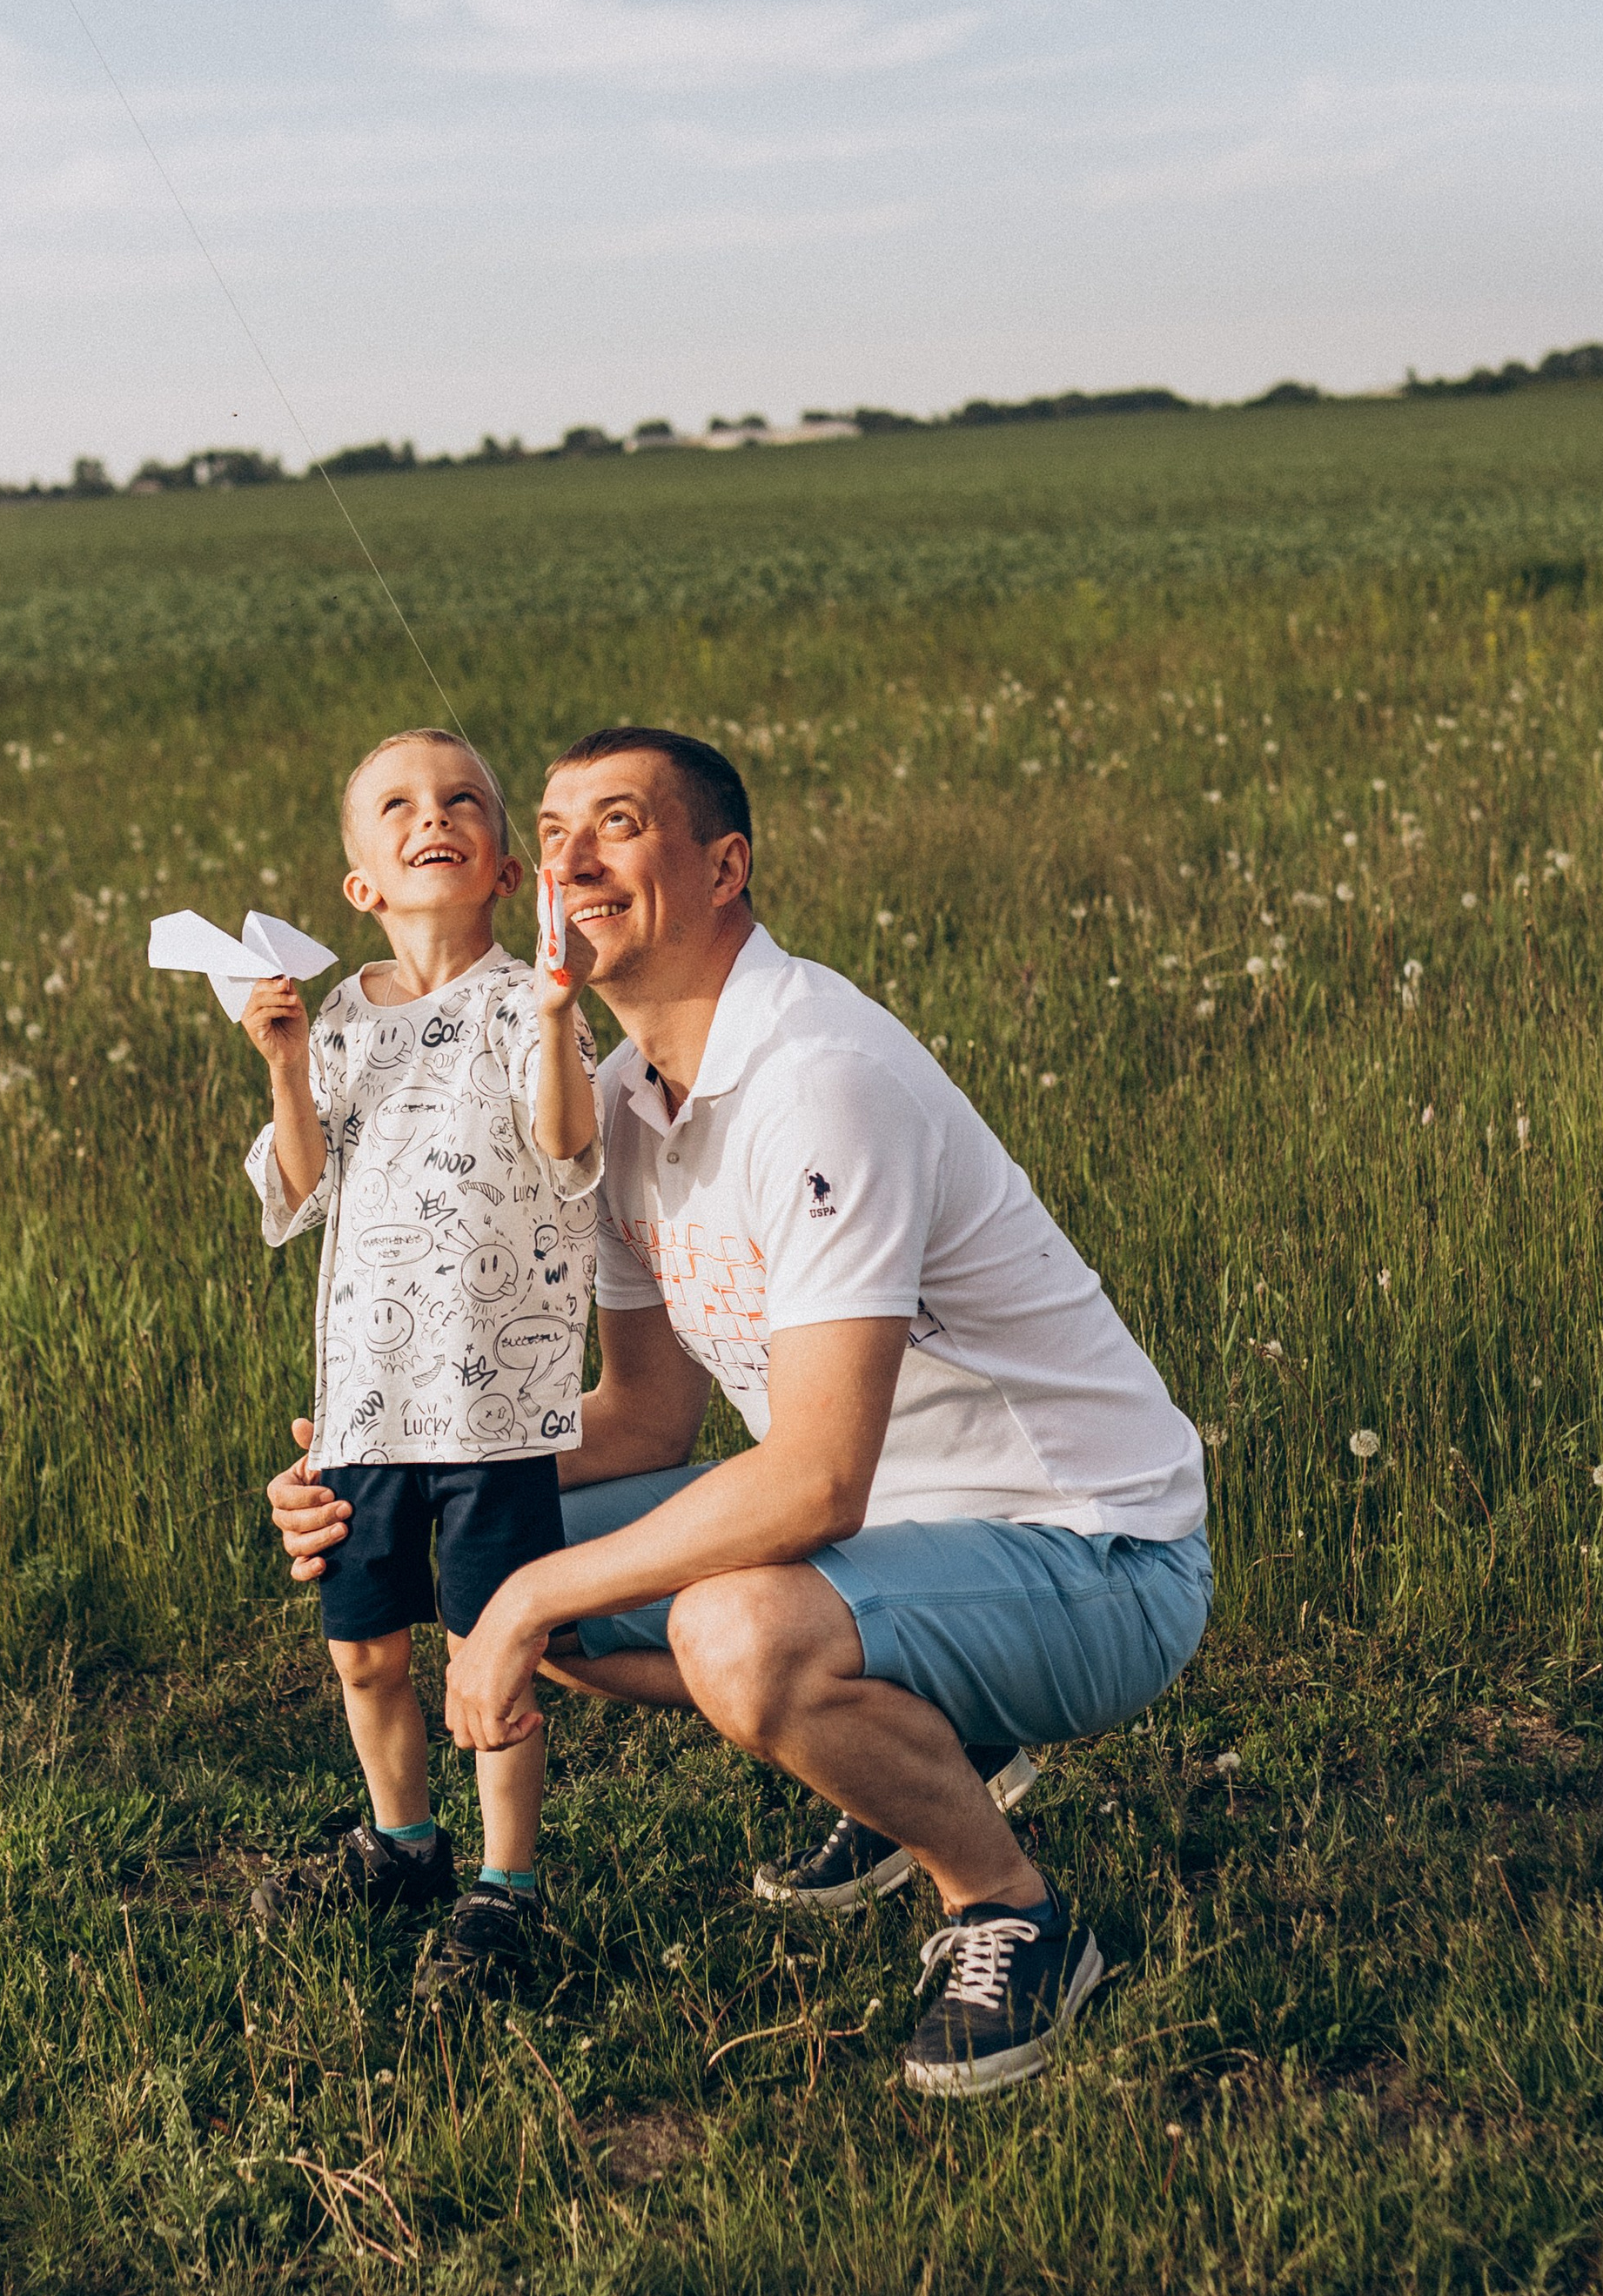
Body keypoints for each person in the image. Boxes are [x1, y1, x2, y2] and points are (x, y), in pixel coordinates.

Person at [268, 724, 1209, 2097]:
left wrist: (524, 1606)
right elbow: (644, 1421)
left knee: (722, 1630)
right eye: (558, 828)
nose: (574, 861)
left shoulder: (817, 1079)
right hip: (897, 1535)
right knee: (500, 1549)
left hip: (1093, 1555)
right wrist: (386, 1464)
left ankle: (1007, 1910)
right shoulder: (618, 1103)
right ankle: (923, 1740)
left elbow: (819, 1482)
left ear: (726, 868)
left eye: (622, 826)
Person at [242, 726, 599, 1994]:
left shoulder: (525, 998)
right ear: (363, 889)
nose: (429, 816)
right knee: (363, 1648)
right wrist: (286, 1065)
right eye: (396, 807)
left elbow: (568, 1147)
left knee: (486, 1654)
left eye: (460, 802)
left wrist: (558, 1016)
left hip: (492, 1406)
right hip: (365, 1404)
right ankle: (403, 1843)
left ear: (508, 870)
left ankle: (509, 1885)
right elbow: (296, 1188)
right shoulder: (340, 1016)